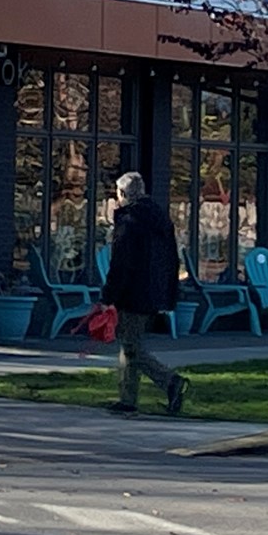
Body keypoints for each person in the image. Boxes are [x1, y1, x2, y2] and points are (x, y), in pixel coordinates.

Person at [102, 170, 186, 417]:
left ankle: (170, 381)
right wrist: (169, 291)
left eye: (117, 194)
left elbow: (121, 264)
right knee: (130, 342)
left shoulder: (129, 221)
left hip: (134, 291)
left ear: (123, 193)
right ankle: (127, 398)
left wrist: (108, 295)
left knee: (131, 347)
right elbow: (172, 258)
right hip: (155, 290)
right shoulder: (159, 218)